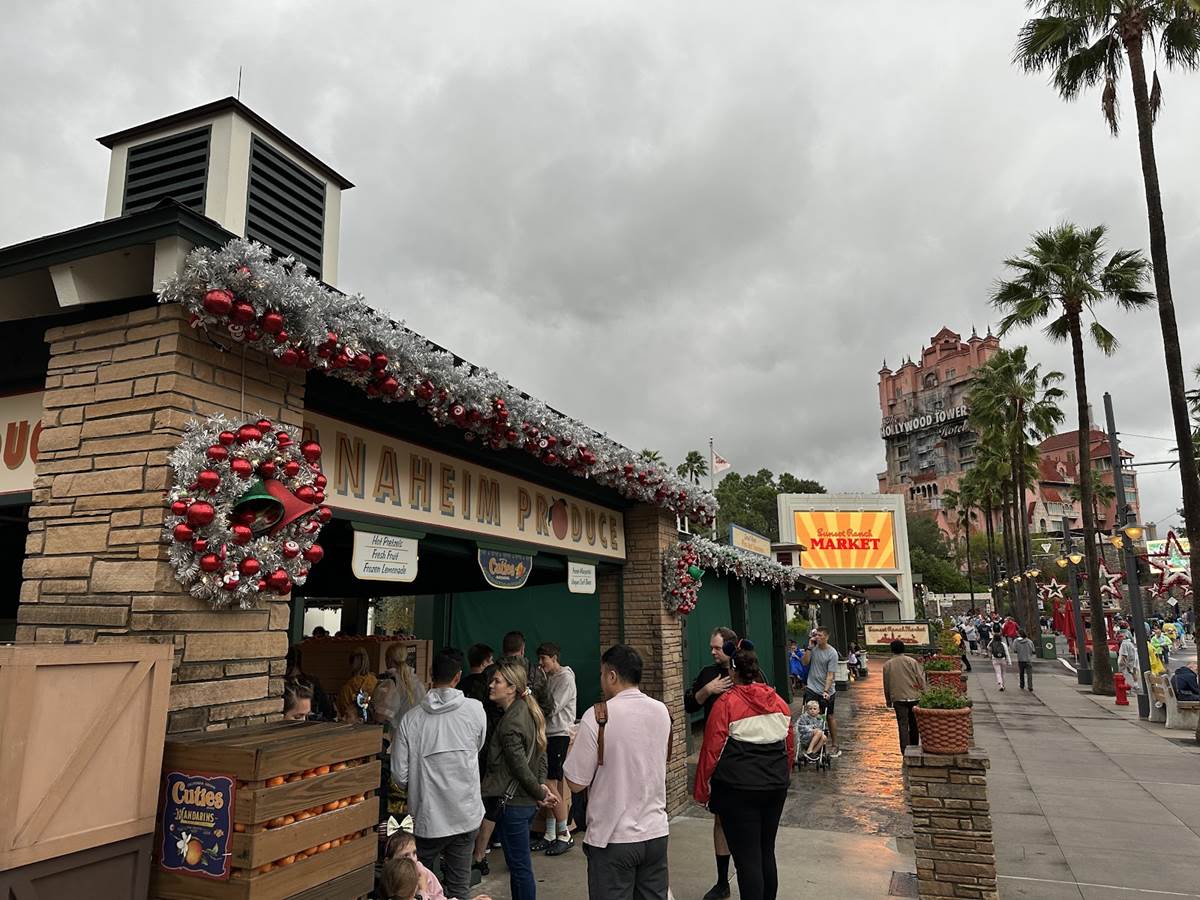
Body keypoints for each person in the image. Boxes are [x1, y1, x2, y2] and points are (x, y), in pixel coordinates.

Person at [563, 644, 672, 900]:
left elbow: (576, 782)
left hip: (612, 837)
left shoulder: (597, 716)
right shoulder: (662, 711)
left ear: (612, 676)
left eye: (602, 674)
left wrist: (573, 745)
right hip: (655, 832)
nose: (601, 680)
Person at [694, 640, 793, 900]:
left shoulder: (726, 703)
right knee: (766, 851)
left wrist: (702, 790)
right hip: (775, 786)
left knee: (747, 858)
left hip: (738, 789)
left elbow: (711, 750)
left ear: (733, 671)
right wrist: (785, 776)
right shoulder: (779, 702)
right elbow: (789, 746)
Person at [391, 647, 487, 900]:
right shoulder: (476, 710)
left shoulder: (411, 719)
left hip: (427, 817)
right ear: (458, 676)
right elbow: (477, 747)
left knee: (415, 886)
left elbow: (399, 775)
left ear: (431, 675)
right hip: (465, 814)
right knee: (459, 888)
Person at [481, 660, 557, 900]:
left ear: (512, 688)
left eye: (497, 681)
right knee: (519, 867)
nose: (491, 685)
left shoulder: (511, 722)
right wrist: (541, 785)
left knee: (520, 868)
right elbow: (541, 752)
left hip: (514, 803)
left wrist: (540, 792)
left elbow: (520, 767)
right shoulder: (528, 711)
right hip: (524, 802)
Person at [684, 625, 736, 900]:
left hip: (743, 755)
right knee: (721, 817)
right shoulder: (707, 673)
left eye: (717, 647)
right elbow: (690, 704)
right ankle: (722, 881)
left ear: (731, 647)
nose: (713, 652)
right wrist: (707, 690)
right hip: (717, 757)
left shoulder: (747, 671)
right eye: (712, 648)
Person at [533, 642, 577, 856]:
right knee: (549, 785)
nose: (541, 663)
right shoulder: (548, 677)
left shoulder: (565, 678)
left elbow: (551, 708)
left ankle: (564, 834)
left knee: (550, 783)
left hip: (559, 735)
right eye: (539, 658)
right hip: (546, 735)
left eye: (544, 658)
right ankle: (550, 833)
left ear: (554, 658)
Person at [370, 643, 428, 733]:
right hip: (418, 733)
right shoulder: (416, 681)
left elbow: (381, 716)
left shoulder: (392, 682)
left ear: (389, 660)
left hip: (399, 735)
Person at [802, 627, 842, 756]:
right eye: (816, 635)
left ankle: (835, 744)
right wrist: (809, 648)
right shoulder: (813, 649)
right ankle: (812, 744)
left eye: (820, 635)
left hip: (826, 689)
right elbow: (805, 662)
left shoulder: (832, 653)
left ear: (827, 637)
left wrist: (826, 690)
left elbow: (830, 675)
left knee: (829, 716)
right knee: (811, 714)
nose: (818, 638)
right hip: (812, 687)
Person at [882, 639, 926, 752]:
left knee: (902, 724)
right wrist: (925, 693)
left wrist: (888, 700)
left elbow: (886, 684)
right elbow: (920, 678)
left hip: (898, 698)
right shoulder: (912, 661)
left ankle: (904, 749)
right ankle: (914, 746)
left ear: (892, 650)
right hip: (914, 696)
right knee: (914, 724)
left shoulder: (888, 665)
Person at [284, 646, 335, 720]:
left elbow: (327, 711)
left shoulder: (312, 683)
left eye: (307, 716)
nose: (304, 721)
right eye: (298, 717)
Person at [336, 647, 378, 722]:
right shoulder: (374, 681)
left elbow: (343, 711)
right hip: (371, 722)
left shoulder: (347, 688)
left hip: (353, 722)